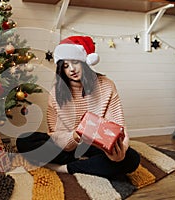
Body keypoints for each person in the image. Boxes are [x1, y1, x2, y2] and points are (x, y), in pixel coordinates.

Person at [16, 36, 140, 178]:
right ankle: (90, 165)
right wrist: (75, 136)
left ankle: (65, 168)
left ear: (85, 62)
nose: (71, 69)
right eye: (65, 66)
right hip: (68, 146)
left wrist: (119, 152)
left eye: (75, 62)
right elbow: (55, 133)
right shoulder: (56, 92)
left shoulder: (106, 85)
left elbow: (118, 125)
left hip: (98, 146)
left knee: (131, 158)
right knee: (24, 140)